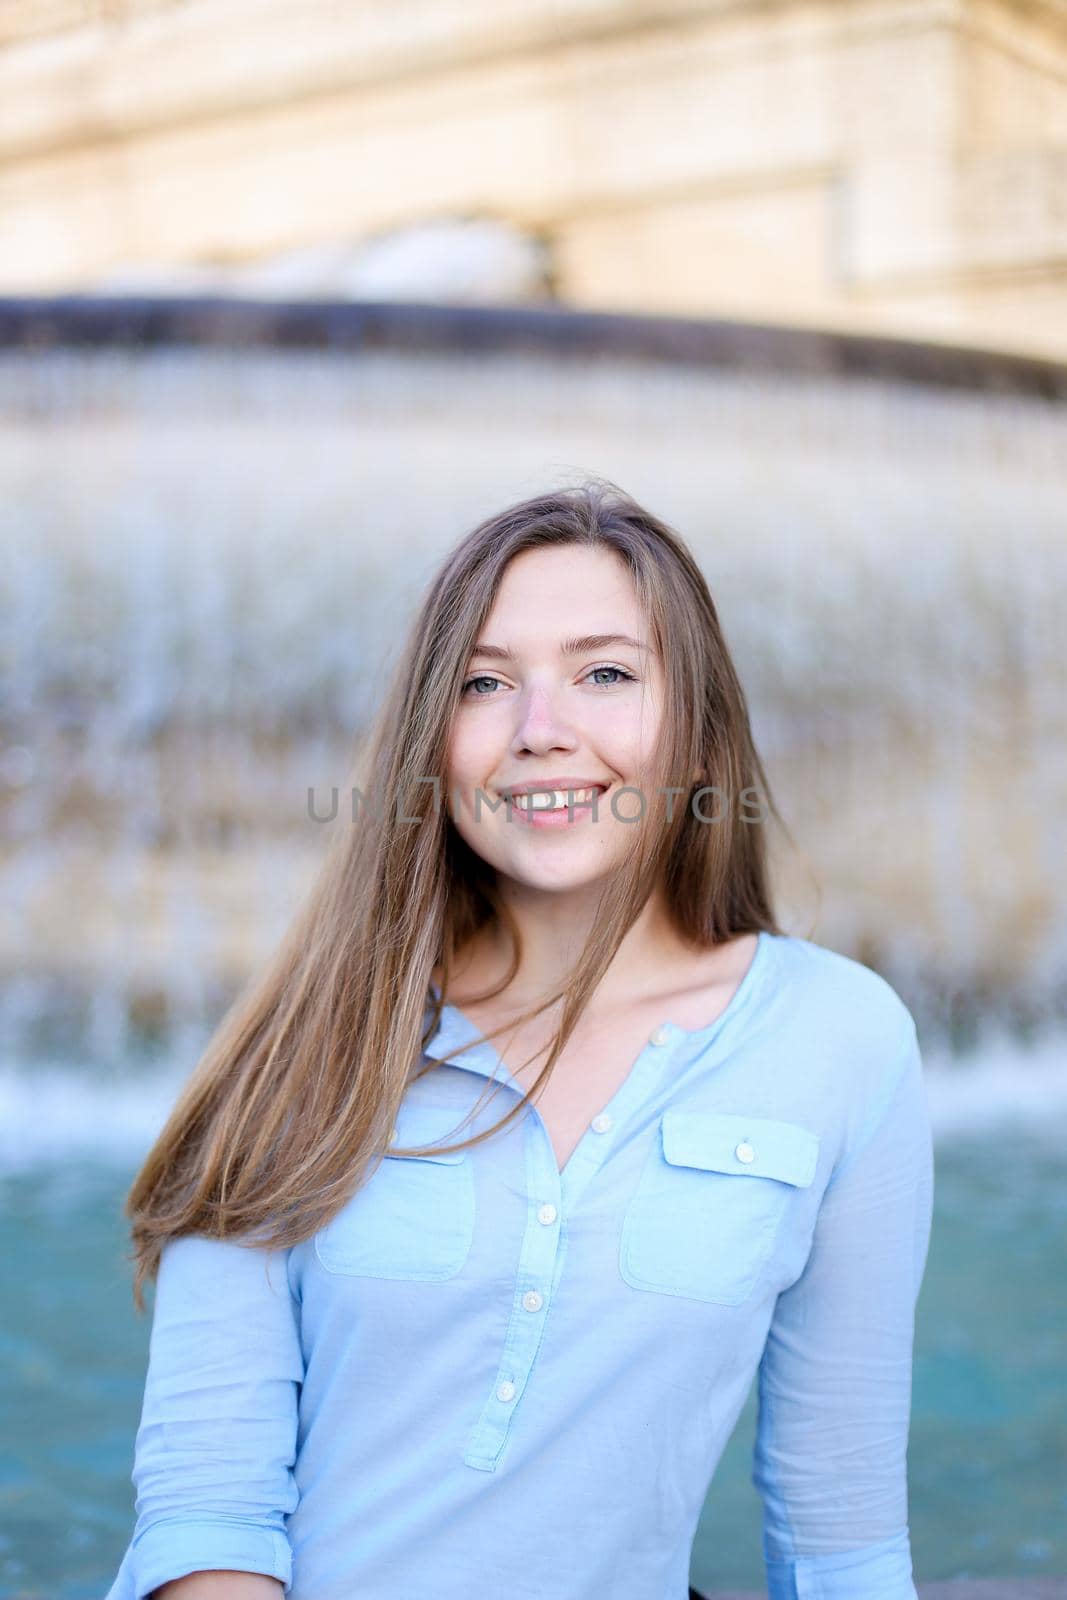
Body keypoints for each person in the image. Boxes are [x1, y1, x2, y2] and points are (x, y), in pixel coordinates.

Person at [105, 480, 934, 1600]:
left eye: (605, 674)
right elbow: (207, 1517)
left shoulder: (839, 1040)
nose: (540, 731)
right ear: (431, 746)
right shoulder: (307, 1036)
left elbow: (838, 1542)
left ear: (696, 732)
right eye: (483, 684)